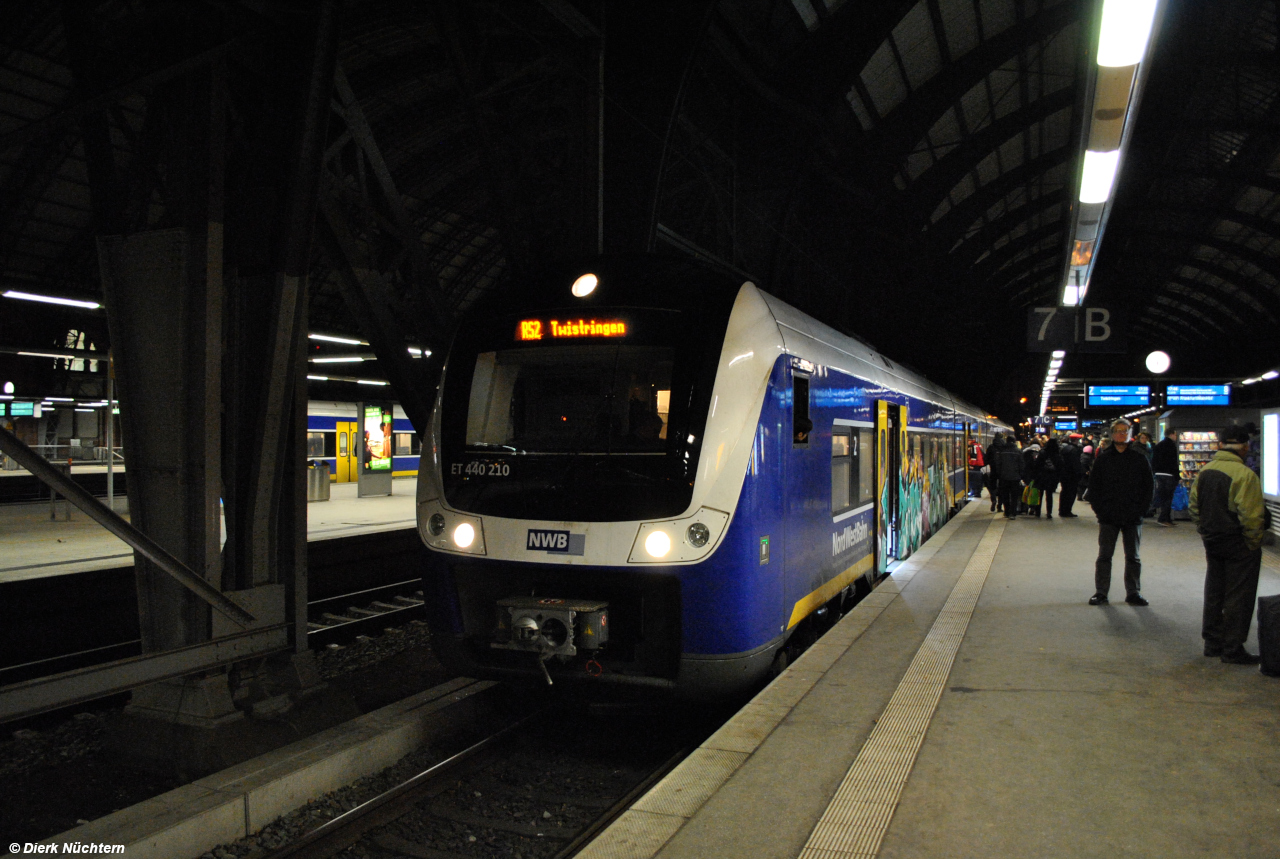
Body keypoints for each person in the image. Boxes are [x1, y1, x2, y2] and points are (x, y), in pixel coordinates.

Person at [1189, 425, 1267, 664]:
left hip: (1213, 541)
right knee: (1238, 596)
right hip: (1238, 543)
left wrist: (1206, 531)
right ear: (1244, 447)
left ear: (1221, 445)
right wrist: (1253, 542)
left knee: (1214, 591)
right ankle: (1233, 648)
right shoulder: (1245, 475)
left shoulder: (1206, 471)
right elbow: (1251, 516)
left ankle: (1212, 643)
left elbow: (1194, 507)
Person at [1087, 419, 1154, 606]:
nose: (1122, 434)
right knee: (1104, 556)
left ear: (1130, 433)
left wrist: (1142, 510)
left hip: (1133, 516)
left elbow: (1149, 486)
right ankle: (1101, 592)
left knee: (1133, 556)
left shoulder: (1140, 458)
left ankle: (1133, 592)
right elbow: (1094, 487)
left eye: (1126, 431)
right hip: (1108, 516)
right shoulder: (1103, 459)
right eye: (1118, 431)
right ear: (1112, 433)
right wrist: (1099, 510)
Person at [1150, 429, 1180, 526]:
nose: (1176, 437)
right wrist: (1177, 476)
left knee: (1163, 496)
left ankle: (1164, 517)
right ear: (1171, 435)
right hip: (1169, 475)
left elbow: (1153, 460)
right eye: (1175, 435)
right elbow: (1173, 462)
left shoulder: (1159, 445)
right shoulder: (1171, 446)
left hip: (1159, 474)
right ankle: (1164, 518)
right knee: (1168, 497)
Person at [991, 434, 1024, 520]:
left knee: (1005, 495)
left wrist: (1000, 474)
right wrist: (1021, 475)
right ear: (1014, 442)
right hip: (1015, 478)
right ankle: (1013, 513)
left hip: (1004, 477)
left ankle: (1007, 511)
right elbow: (1021, 465)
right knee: (1014, 496)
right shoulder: (1018, 451)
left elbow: (998, 464)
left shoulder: (1002, 451)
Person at [1032, 437, 1063, 519]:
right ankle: (1049, 512)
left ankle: (1037, 511)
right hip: (1051, 477)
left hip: (1041, 476)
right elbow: (1060, 466)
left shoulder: (1042, 452)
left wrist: (1035, 475)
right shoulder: (1057, 454)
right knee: (1049, 495)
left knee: (1040, 494)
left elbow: (1037, 464)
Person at [1059, 433, 1084, 517]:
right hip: (1071, 475)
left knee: (1064, 492)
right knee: (1071, 493)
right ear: (1076, 440)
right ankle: (1067, 510)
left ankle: (1062, 510)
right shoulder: (1074, 450)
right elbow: (1075, 464)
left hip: (1064, 474)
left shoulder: (1065, 448)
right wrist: (1079, 473)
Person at [1020, 436, 1042, 516]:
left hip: (1027, 474)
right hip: (1037, 475)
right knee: (1036, 492)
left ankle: (1025, 508)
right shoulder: (1041, 452)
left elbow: (1022, 463)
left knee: (1027, 491)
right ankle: (1035, 508)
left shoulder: (1025, 451)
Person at [984, 434, 1003, 511]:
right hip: (1002, 471)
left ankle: (994, 500)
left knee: (993, 487)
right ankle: (999, 506)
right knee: (1002, 488)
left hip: (993, 470)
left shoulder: (991, 447)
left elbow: (986, 459)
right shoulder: (1003, 447)